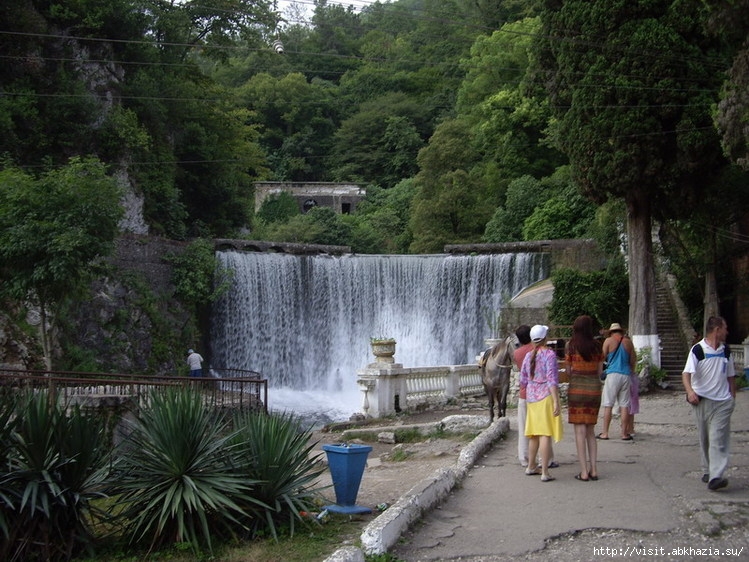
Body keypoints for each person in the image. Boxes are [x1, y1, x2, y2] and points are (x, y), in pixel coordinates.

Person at [682, 316, 736, 491]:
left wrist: (732, 398)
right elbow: (686, 374)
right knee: (705, 437)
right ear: (717, 330)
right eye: (725, 328)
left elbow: (731, 377)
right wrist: (690, 392)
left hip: (722, 402)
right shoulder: (698, 350)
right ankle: (707, 469)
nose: (727, 332)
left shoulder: (725, 350)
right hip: (702, 400)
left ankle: (716, 475)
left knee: (717, 437)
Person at [519, 324, 563, 482]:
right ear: (545, 338)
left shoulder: (528, 355)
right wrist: (556, 400)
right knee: (545, 434)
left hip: (531, 398)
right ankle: (545, 471)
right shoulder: (549, 355)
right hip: (545, 397)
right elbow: (552, 379)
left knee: (534, 434)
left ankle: (531, 466)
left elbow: (522, 380)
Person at [564, 315, 604, 481]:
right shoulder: (597, 346)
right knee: (590, 431)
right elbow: (600, 371)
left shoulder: (570, 346)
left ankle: (583, 472)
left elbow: (568, 371)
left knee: (579, 431)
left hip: (577, 390)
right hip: (594, 390)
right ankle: (594, 469)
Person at [597, 323, 636, 441]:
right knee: (624, 405)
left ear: (611, 332)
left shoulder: (608, 341)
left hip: (612, 374)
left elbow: (602, 357)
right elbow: (633, 360)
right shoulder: (628, 342)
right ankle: (624, 433)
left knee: (608, 404)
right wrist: (631, 371)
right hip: (626, 374)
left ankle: (605, 433)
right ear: (621, 331)